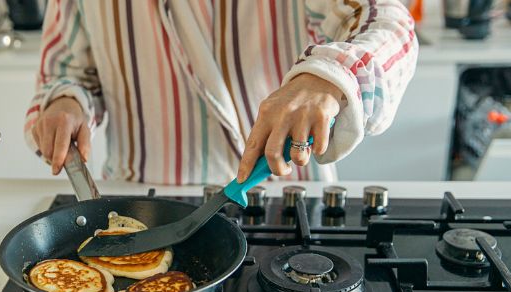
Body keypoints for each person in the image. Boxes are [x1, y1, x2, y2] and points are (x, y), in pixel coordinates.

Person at [25, 0, 418, 185]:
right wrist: (66, 102)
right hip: (141, 198)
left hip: (286, 193)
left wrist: (328, 76)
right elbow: (67, 71)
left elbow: (387, 20)